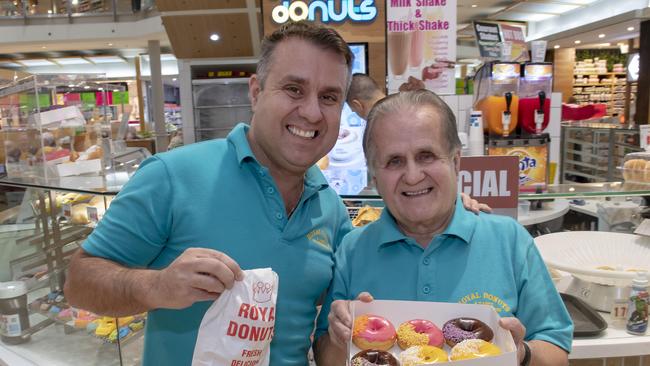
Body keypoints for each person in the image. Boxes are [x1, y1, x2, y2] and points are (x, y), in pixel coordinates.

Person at [64, 23, 485, 365]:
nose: (311, 112)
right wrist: (154, 287)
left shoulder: (331, 212)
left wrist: (445, 207)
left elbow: (340, 319)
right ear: (255, 91)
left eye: (329, 97)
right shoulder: (173, 175)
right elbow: (79, 283)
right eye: (294, 89)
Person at [313, 90, 573, 366]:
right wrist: (340, 339)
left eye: (426, 156)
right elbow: (326, 356)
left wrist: (521, 353)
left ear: (456, 162)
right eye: (394, 161)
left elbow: (557, 350)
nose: (413, 176)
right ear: (375, 176)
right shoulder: (352, 250)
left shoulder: (510, 241)